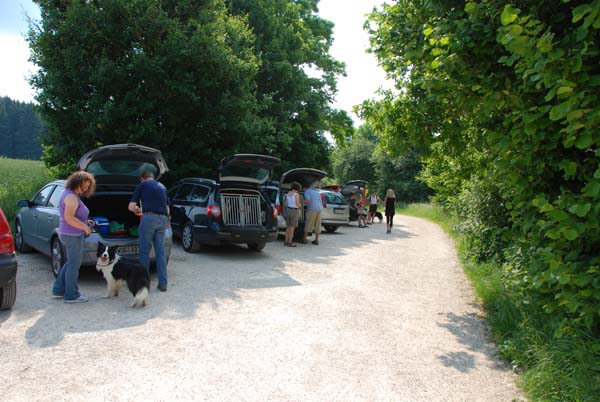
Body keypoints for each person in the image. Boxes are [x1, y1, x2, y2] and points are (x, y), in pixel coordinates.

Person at [52, 171, 96, 303]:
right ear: (77, 181)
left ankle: (58, 290)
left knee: (70, 262)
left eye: (88, 185)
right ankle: (71, 295)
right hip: (72, 234)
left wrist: (86, 222)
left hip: (71, 233)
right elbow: (69, 218)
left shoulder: (72, 195)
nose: (86, 188)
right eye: (85, 184)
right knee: (74, 265)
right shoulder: (71, 197)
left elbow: (74, 216)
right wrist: (84, 227)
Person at [128, 170, 169, 292]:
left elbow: (130, 207)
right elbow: (167, 208)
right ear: (152, 177)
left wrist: (137, 210)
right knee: (160, 252)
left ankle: (143, 284)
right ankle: (163, 284)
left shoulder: (142, 185)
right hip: (163, 220)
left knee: (144, 252)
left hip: (149, 218)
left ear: (142, 179)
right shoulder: (163, 187)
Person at [284, 182, 301, 247]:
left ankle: (286, 241)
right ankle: (290, 242)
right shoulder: (296, 194)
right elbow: (297, 204)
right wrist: (300, 205)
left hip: (288, 210)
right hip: (294, 211)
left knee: (288, 227)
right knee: (292, 228)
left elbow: (286, 204)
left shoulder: (288, 193)